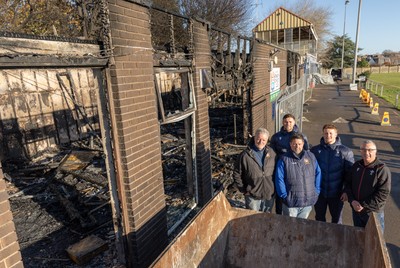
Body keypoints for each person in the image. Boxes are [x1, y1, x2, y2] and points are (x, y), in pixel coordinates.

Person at [311, 124, 354, 224]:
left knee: (337, 220)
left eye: (331, 133)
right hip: (319, 193)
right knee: (319, 219)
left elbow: (350, 175)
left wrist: (346, 191)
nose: (328, 135)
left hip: (337, 194)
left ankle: (337, 239)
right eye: (326, 133)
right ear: (323, 134)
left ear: (336, 134)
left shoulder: (346, 151)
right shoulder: (315, 150)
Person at [345, 140, 391, 232]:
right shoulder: (356, 166)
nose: (367, 152)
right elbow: (348, 184)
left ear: (375, 151)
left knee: (376, 242)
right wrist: (352, 201)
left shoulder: (381, 169)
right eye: (364, 150)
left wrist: (362, 204)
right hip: (356, 211)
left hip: (372, 213)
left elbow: (383, 193)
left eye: (370, 150)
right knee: (359, 238)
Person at [270, 113, 309, 214]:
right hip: (281, 167)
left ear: (294, 122)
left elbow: (306, 153)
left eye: (290, 122)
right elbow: (271, 153)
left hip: (296, 168)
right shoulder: (276, 137)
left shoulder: (301, 136)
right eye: (286, 122)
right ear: (282, 123)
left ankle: (295, 212)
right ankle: (279, 215)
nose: (288, 124)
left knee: (293, 190)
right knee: (280, 192)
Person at [275, 133, 321, 219]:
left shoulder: (311, 156)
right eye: (294, 144)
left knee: (302, 228)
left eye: (299, 144)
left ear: (303, 144)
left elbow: (318, 173)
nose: (297, 146)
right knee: (290, 229)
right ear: (290, 144)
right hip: (291, 203)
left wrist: (317, 191)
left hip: (307, 203)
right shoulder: (284, 159)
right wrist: (284, 196)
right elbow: (279, 178)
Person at [233, 128, 276, 212]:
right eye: (258, 139)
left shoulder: (272, 153)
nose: (261, 142)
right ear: (254, 138)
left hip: (268, 194)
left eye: (264, 140)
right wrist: (243, 189)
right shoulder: (245, 155)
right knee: (253, 220)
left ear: (267, 140)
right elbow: (237, 173)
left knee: (267, 218)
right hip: (252, 195)